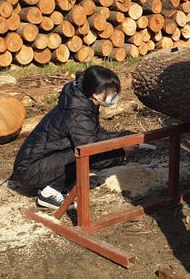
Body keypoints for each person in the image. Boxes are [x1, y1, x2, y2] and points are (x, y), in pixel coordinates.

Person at [11, 66, 138, 210]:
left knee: (80, 151)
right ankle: (50, 193)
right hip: (30, 171)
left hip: (38, 161)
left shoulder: (82, 100)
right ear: (96, 93)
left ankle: (58, 184)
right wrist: (122, 153)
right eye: (111, 92)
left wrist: (122, 138)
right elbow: (91, 153)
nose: (114, 96)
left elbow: (95, 133)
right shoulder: (77, 113)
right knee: (81, 155)